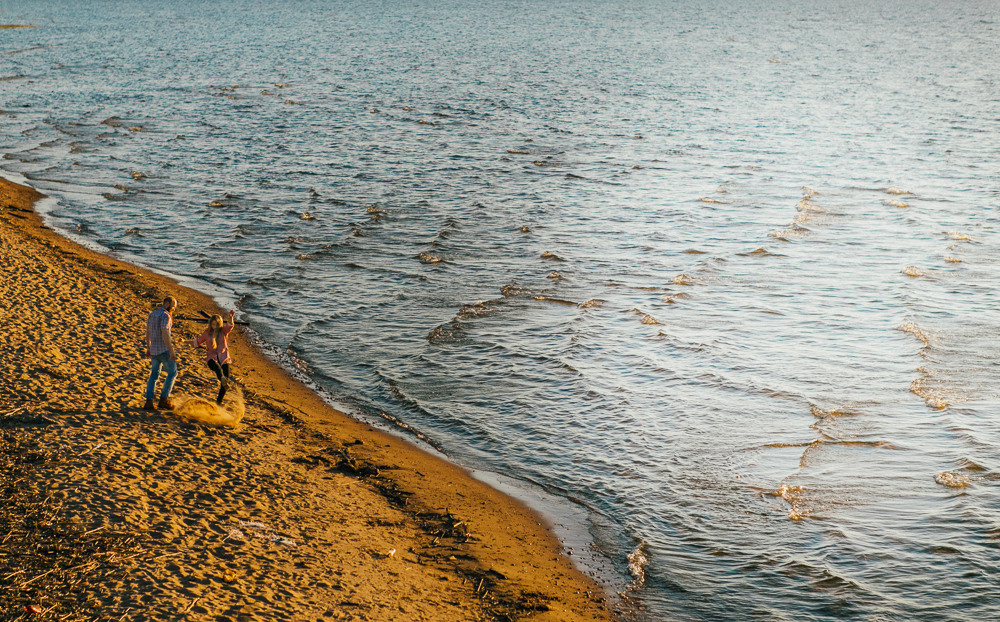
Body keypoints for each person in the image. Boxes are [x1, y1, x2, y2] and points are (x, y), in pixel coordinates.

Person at [192, 310, 236, 404]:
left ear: (220, 324)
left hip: (224, 358)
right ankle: (222, 379)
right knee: (217, 369)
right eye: (212, 324)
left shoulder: (223, 331)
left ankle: (219, 402)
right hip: (212, 358)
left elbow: (230, 325)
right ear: (210, 324)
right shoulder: (207, 333)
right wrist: (184, 341)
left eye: (216, 324)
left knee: (225, 382)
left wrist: (231, 316)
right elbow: (197, 342)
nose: (214, 326)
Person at [144, 296, 178, 411]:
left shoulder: (152, 314)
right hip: (164, 350)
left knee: (153, 375)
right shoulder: (165, 316)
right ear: (167, 303)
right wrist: (171, 351)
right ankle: (164, 399)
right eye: (173, 306)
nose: (174, 309)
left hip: (154, 350)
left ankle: (149, 401)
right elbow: (165, 333)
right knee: (172, 373)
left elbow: (148, 332)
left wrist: (148, 348)